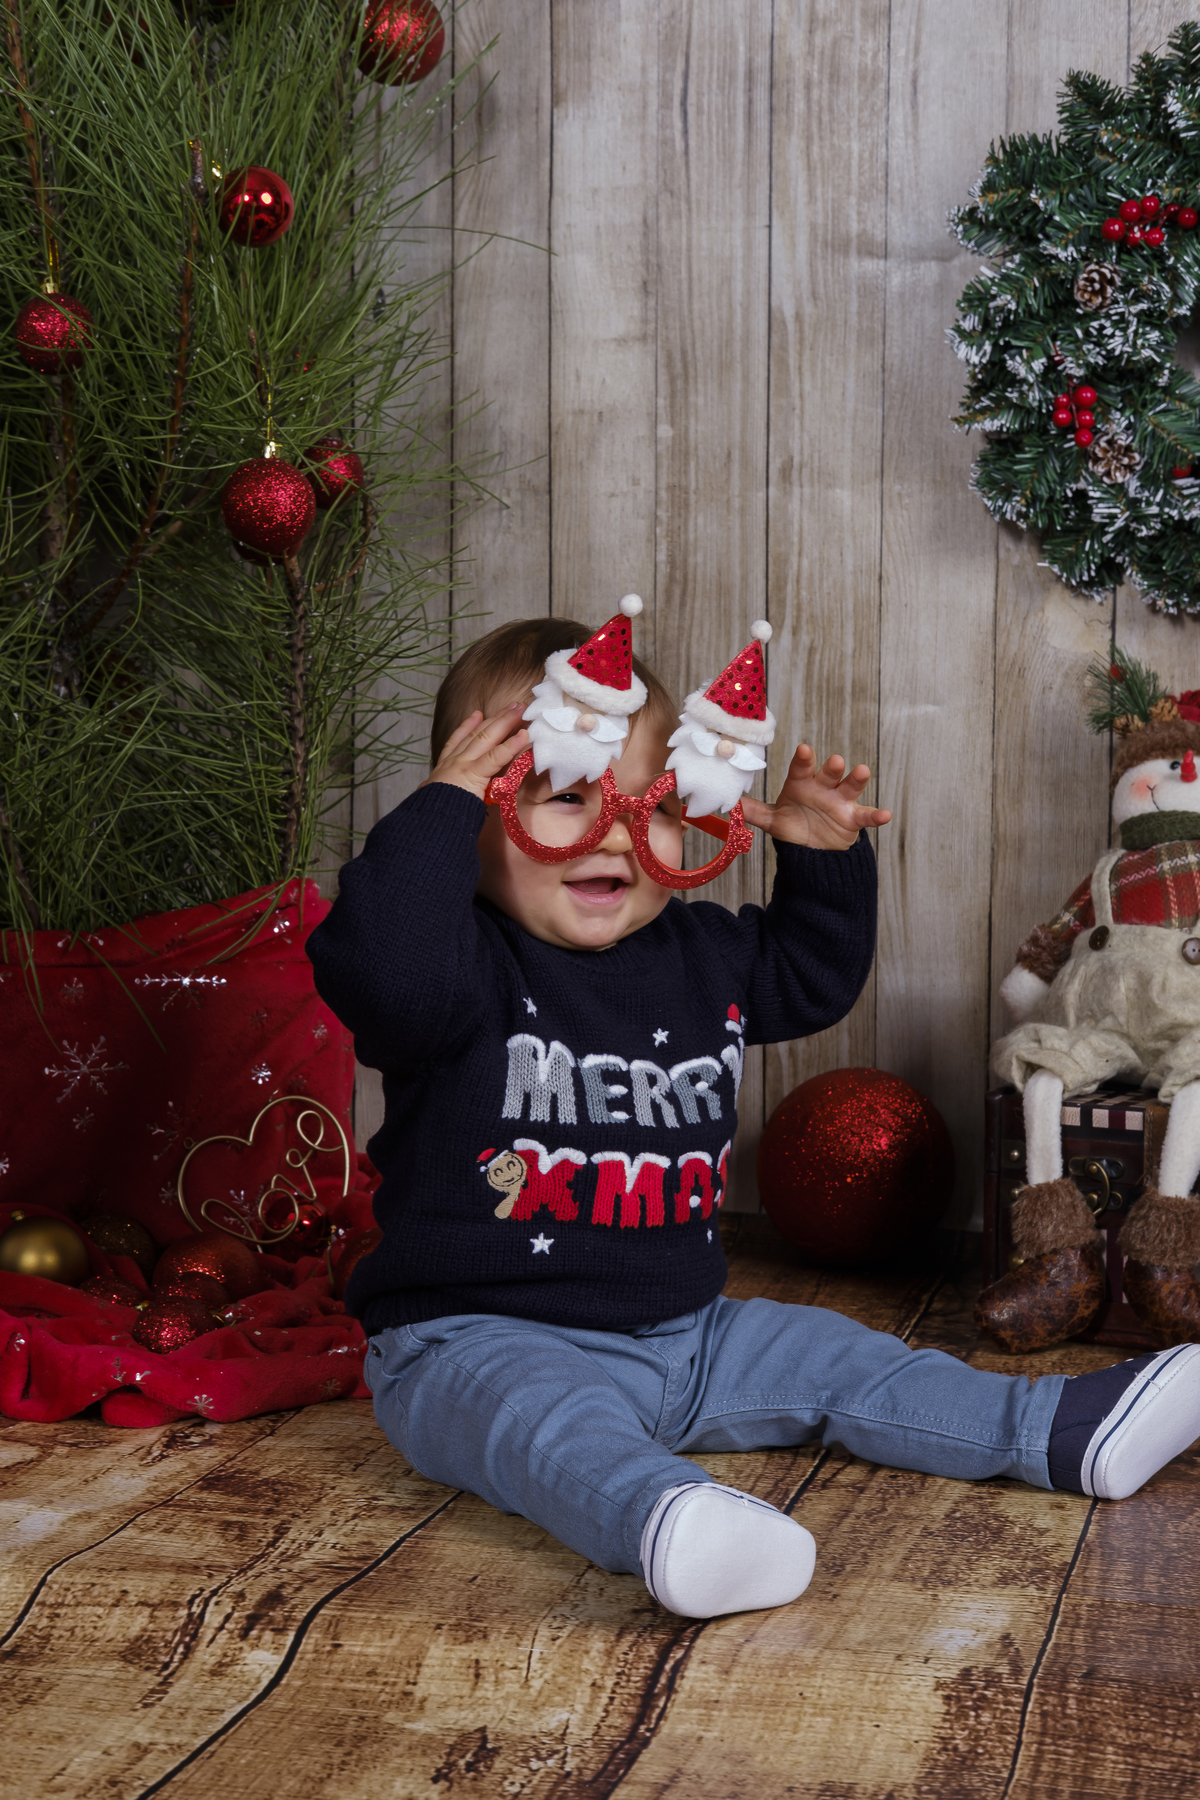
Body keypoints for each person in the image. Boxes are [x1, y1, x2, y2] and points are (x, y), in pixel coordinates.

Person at [307, 609, 1200, 1620]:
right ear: (475, 823)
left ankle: (1053, 1428)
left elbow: (813, 977)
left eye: (649, 807)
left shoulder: (702, 954)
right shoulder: (454, 971)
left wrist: (822, 855)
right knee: (546, 1425)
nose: (612, 833)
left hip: (688, 1334)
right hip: (474, 1341)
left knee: (850, 1359)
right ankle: (666, 1516)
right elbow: (374, 962)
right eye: (560, 800)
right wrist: (433, 812)